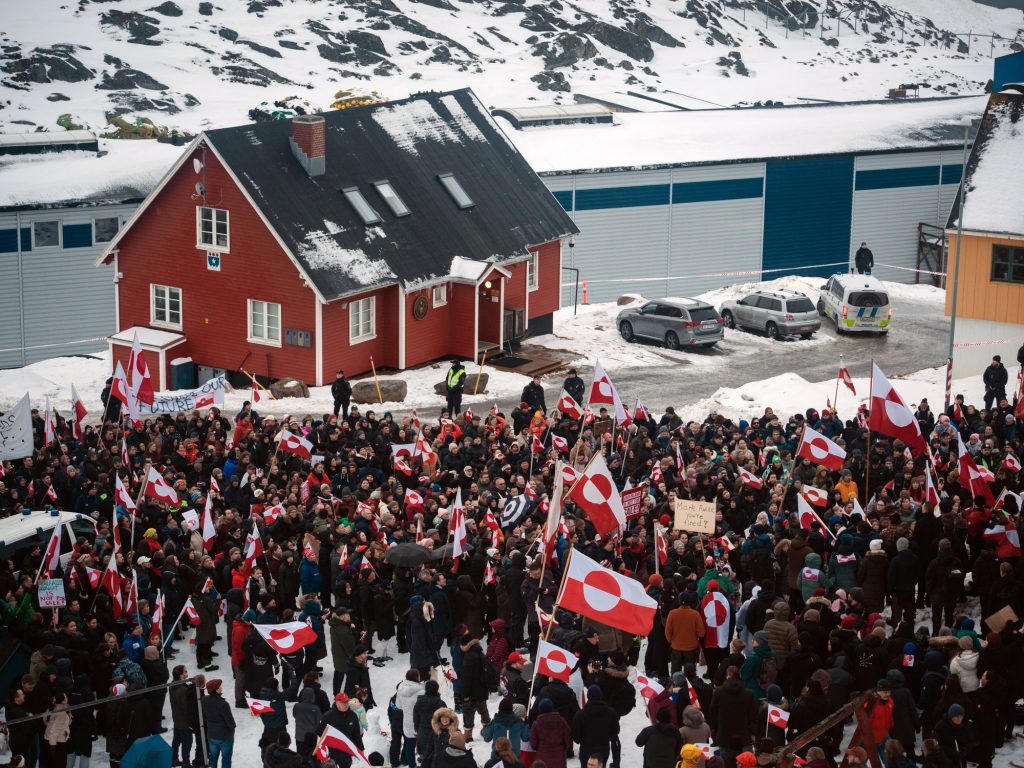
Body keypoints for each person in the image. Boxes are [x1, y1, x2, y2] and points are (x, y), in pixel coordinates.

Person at [317, 694, 362, 768]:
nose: (346, 705)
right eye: (343, 702)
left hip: (347, 752)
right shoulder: (328, 716)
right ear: (337, 702)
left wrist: (361, 748)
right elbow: (319, 732)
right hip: (332, 752)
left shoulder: (353, 715)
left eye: (347, 702)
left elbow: (356, 734)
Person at [202, 679, 236, 768]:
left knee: (213, 756)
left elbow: (204, 715)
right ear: (217, 690)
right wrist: (232, 729)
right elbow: (230, 722)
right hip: (224, 736)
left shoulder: (204, 699)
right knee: (226, 758)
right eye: (220, 687)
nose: (221, 688)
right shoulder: (223, 704)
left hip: (211, 735)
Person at [530, 700, 571, 768]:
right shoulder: (561, 720)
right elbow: (568, 739)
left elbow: (533, 745)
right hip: (559, 757)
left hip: (542, 759)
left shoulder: (536, 724)